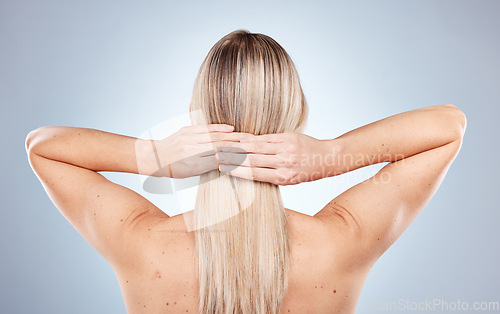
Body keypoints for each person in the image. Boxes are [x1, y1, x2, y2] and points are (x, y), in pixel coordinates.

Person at [25, 30, 466, 314]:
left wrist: (153, 156)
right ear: (295, 118)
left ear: (200, 118)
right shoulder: (340, 242)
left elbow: (43, 147)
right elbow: (448, 126)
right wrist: (331, 155)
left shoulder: (144, 246)